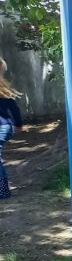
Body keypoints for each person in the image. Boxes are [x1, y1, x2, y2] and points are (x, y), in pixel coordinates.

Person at [0, 59, 23, 200]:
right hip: (6, 127)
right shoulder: (4, 88)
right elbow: (15, 109)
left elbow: (14, 109)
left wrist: (19, 124)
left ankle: (3, 191)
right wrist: (18, 124)